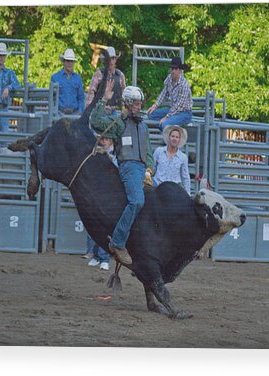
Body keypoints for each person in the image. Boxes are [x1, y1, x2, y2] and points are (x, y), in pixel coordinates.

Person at [90, 80, 154, 266]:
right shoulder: (118, 123)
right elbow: (95, 122)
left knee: (158, 201)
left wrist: (150, 169)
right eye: (135, 103)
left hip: (144, 170)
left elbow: (148, 151)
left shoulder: (143, 126)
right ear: (126, 103)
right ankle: (117, 242)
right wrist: (103, 100)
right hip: (129, 167)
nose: (139, 106)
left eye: (140, 103)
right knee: (137, 201)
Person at [85, 137, 118, 270]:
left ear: (111, 142)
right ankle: (97, 256)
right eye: (102, 139)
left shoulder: (115, 156)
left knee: (106, 226)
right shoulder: (97, 154)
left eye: (106, 139)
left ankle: (104, 258)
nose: (103, 142)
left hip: (110, 194)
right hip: (99, 193)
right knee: (96, 225)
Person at [147, 57, 192, 130]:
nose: (173, 71)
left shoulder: (184, 85)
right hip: (172, 110)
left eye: (176, 69)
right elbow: (164, 93)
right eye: (172, 68)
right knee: (151, 114)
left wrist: (166, 117)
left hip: (184, 113)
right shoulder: (169, 78)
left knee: (166, 124)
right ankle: (163, 130)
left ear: (180, 70)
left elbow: (178, 107)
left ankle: (165, 138)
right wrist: (155, 105)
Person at [85, 46, 126, 115]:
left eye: (113, 58)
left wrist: (124, 109)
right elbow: (91, 93)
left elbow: (124, 95)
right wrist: (88, 111)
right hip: (100, 110)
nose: (111, 61)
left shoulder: (120, 75)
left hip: (116, 111)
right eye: (108, 59)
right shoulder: (98, 74)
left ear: (115, 60)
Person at [153, 125, 190, 193]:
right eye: (172, 136)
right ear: (169, 137)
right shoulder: (159, 151)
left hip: (174, 189)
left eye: (177, 137)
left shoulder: (183, 157)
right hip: (157, 187)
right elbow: (152, 168)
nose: (174, 139)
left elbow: (185, 177)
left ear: (179, 140)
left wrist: (188, 194)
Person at [51, 48, 85, 115]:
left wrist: (80, 111)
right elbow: (52, 98)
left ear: (74, 62)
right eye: (68, 61)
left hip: (75, 113)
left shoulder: (78, 78)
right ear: (63, 62)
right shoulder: (55, 77)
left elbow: (81, 98)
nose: (70, 63)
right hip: (60, 113)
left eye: (72, 61)